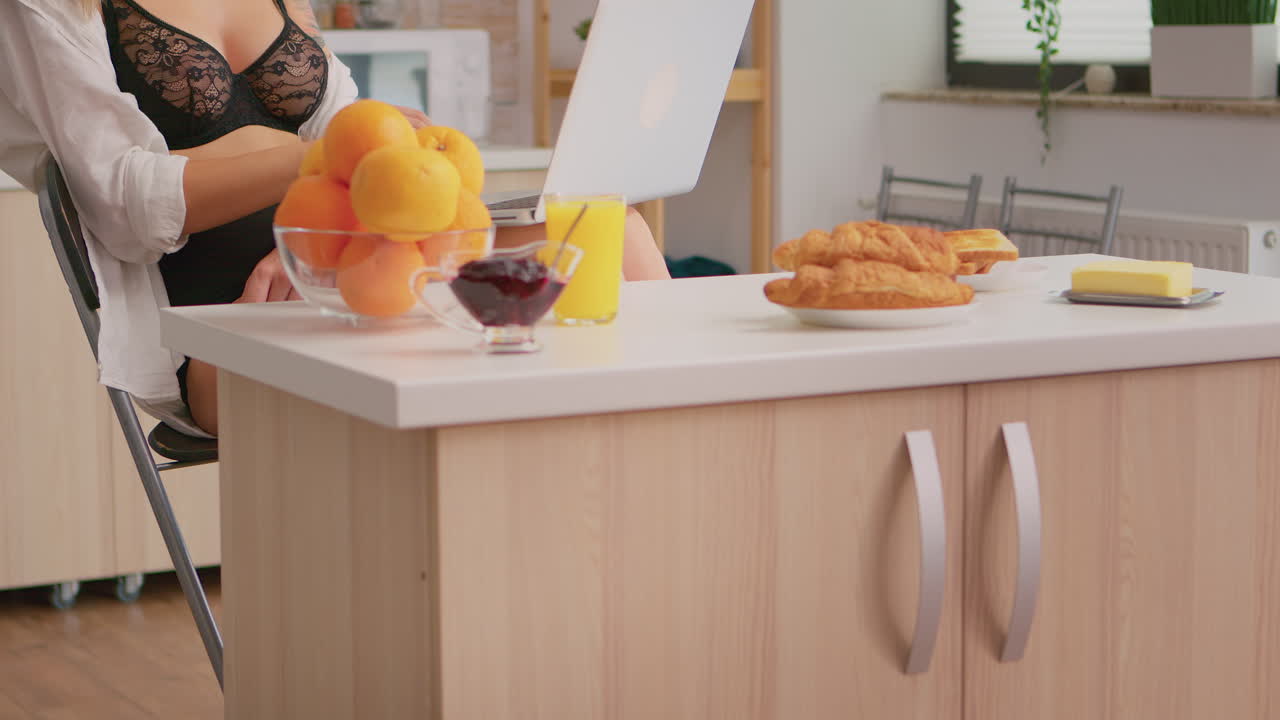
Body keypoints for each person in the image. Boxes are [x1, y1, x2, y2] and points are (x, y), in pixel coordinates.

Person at [0, 0, 671, 437]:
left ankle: (657, 509)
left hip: (357, 272)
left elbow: (361, 140)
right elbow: (122, 202)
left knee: (616, 238)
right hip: (226, 323)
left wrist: (309, 230)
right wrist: (306, 164)